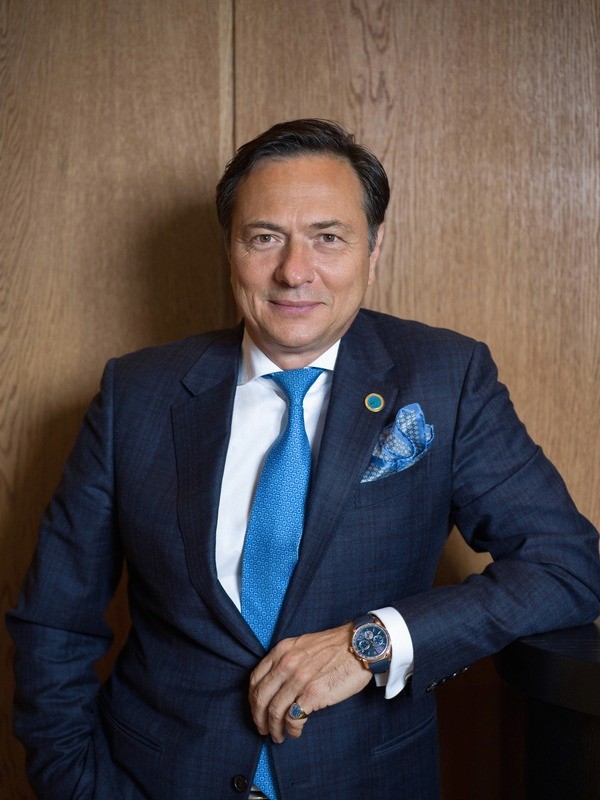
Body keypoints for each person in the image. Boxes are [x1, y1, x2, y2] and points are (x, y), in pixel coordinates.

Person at [8, 119, 600, 800]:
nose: (294, 271)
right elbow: (53, 624)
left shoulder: (447, 379)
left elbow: (566, 566)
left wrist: (369, 643)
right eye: (265, 238)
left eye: (328, 237)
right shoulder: (134, 395)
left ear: (375, 249)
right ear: (230, 249)